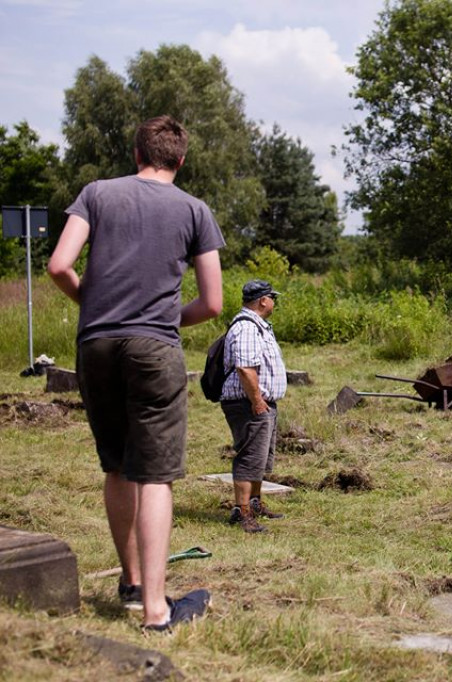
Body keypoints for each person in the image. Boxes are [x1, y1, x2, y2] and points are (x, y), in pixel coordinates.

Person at [47, 115, 224, 632]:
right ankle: (154, 610)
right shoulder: (194, 209)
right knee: (155, 477)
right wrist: (166, 318)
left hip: (96, 344)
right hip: (154, 348)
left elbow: (59, 264)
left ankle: (130, 583)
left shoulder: (97, 194)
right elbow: (212, 303)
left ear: (136, 153)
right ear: (181, 159)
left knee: (118, 466)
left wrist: (96, 305)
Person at [220, 279, 287, 534]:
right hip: (248, 403)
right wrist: (257, 401)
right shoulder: (247, 327)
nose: (274, 302)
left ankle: (255, 503)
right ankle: (243, 512)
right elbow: (245, 368)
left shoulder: (259, 326)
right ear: (262, 300)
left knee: (260, 458)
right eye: (273, 298)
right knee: (249, 457)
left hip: (260, 403)